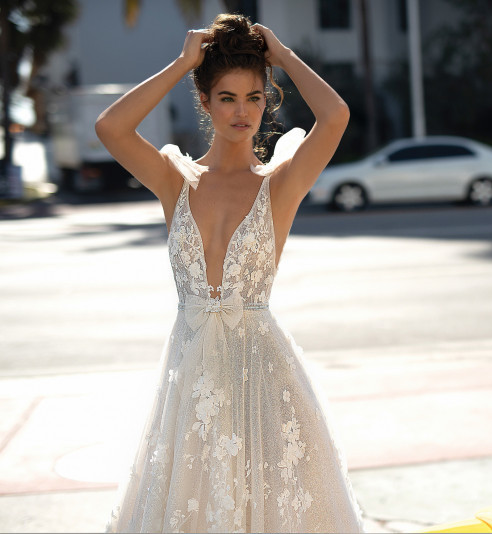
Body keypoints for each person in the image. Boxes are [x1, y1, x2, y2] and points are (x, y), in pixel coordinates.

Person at [96, 14, 361, 532]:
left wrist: (280, 55)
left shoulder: (279, 184)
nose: (243, 112)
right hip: (191, 385)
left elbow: (335, 116)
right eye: (226, 97)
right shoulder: (176, 181)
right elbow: (110, 128)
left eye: (255, 97)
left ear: (267, 100)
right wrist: (182, 64)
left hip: (263, 382)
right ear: (205, 101)